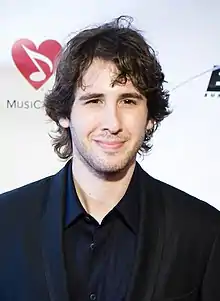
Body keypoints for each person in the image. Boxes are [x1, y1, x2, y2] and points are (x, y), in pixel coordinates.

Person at [0, 15, 219, 301]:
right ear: (65, 114)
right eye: (94, 101)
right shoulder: (6, 222)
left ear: (150, 117)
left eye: (128, 101)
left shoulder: (203, 231)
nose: (112, 122)